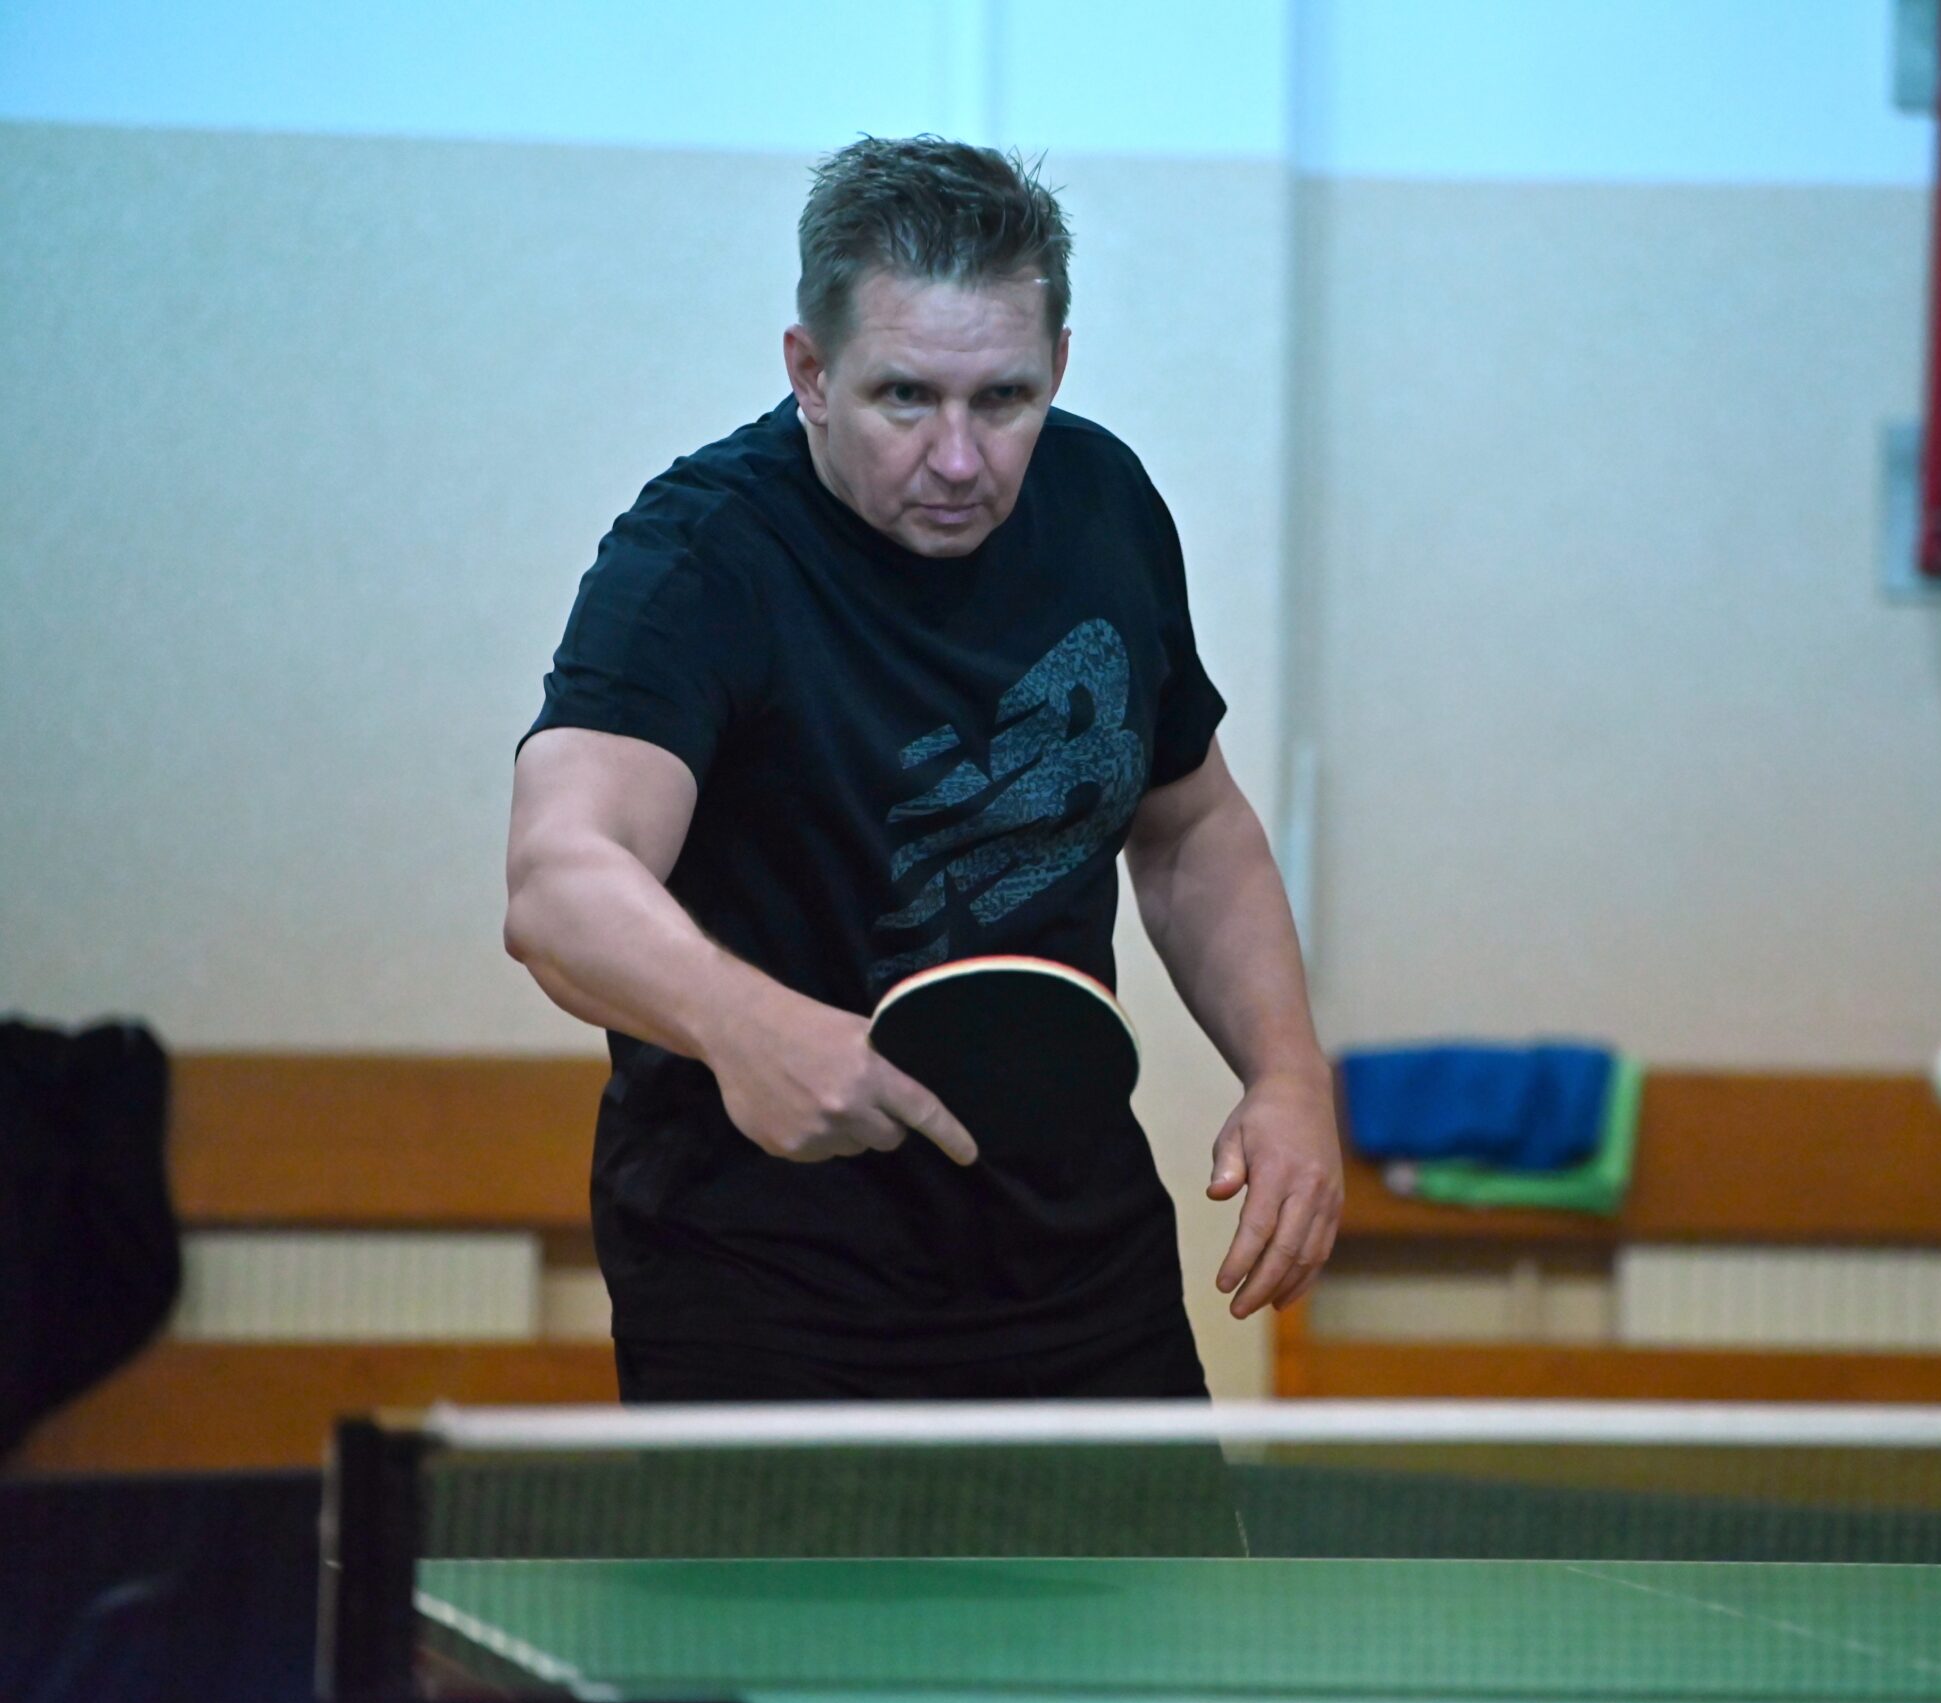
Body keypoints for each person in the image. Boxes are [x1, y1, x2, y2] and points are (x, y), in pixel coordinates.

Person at [502, 136, 1340, 1404]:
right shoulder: (699, 560)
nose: (958, 457)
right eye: (905, 397)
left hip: (1077, 1268)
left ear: (1059, 365)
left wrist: (1286, 1074)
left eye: (1002, 399)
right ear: (809, 370)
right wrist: (747, 1024)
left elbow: (1189, 829)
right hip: (762, 1283)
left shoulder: (1104, 504)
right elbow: (559, 878)